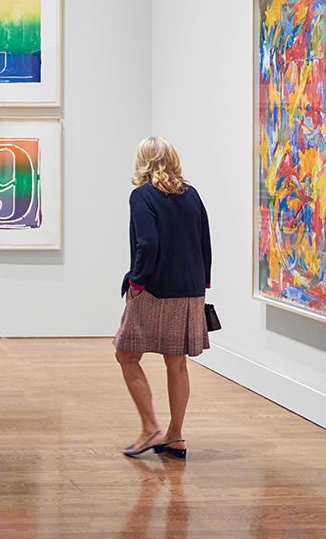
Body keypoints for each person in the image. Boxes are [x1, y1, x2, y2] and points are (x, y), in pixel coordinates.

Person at [114, 136, 211, 460]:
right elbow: (205, 241)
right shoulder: (191, 194)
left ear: (143, 161)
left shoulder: (142, 195)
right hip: (191, 289)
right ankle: (175, 436)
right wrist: (202, 283)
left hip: (155, 288)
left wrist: (137, 281)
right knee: (177, 362)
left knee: (127, 356)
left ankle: (150, 429)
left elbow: (148, 244)